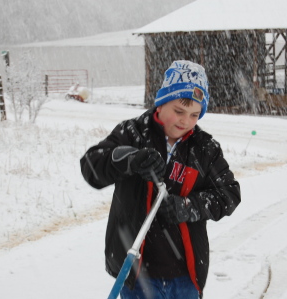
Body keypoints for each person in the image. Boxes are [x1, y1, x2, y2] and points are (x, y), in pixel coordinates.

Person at [80, 60, 241, 298]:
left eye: (195, 115)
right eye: (179, 110)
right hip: (136, 275)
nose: (185, 121)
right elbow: (91, 166)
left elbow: (229, 194)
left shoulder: (205, 148)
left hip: (185, 277)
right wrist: (130, 160)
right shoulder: (133, 133)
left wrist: (189, 207)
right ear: (162, 101)